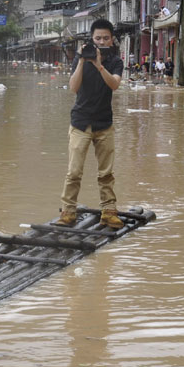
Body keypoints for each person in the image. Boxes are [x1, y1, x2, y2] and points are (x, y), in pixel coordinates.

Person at [56, 18, 125, 230]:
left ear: (112, 40)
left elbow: (114, 84)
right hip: (80, 122)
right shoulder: (80, 58)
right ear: (91, 39)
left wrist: (98, 64)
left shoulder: (115, 61)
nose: (102, 41)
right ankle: (68, 212)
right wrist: (83, 61)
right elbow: (73, 88)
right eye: (98, 38)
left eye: (106, 38)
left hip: (104, 123)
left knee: (106, 173)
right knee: (74, 172)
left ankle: (109, 211)